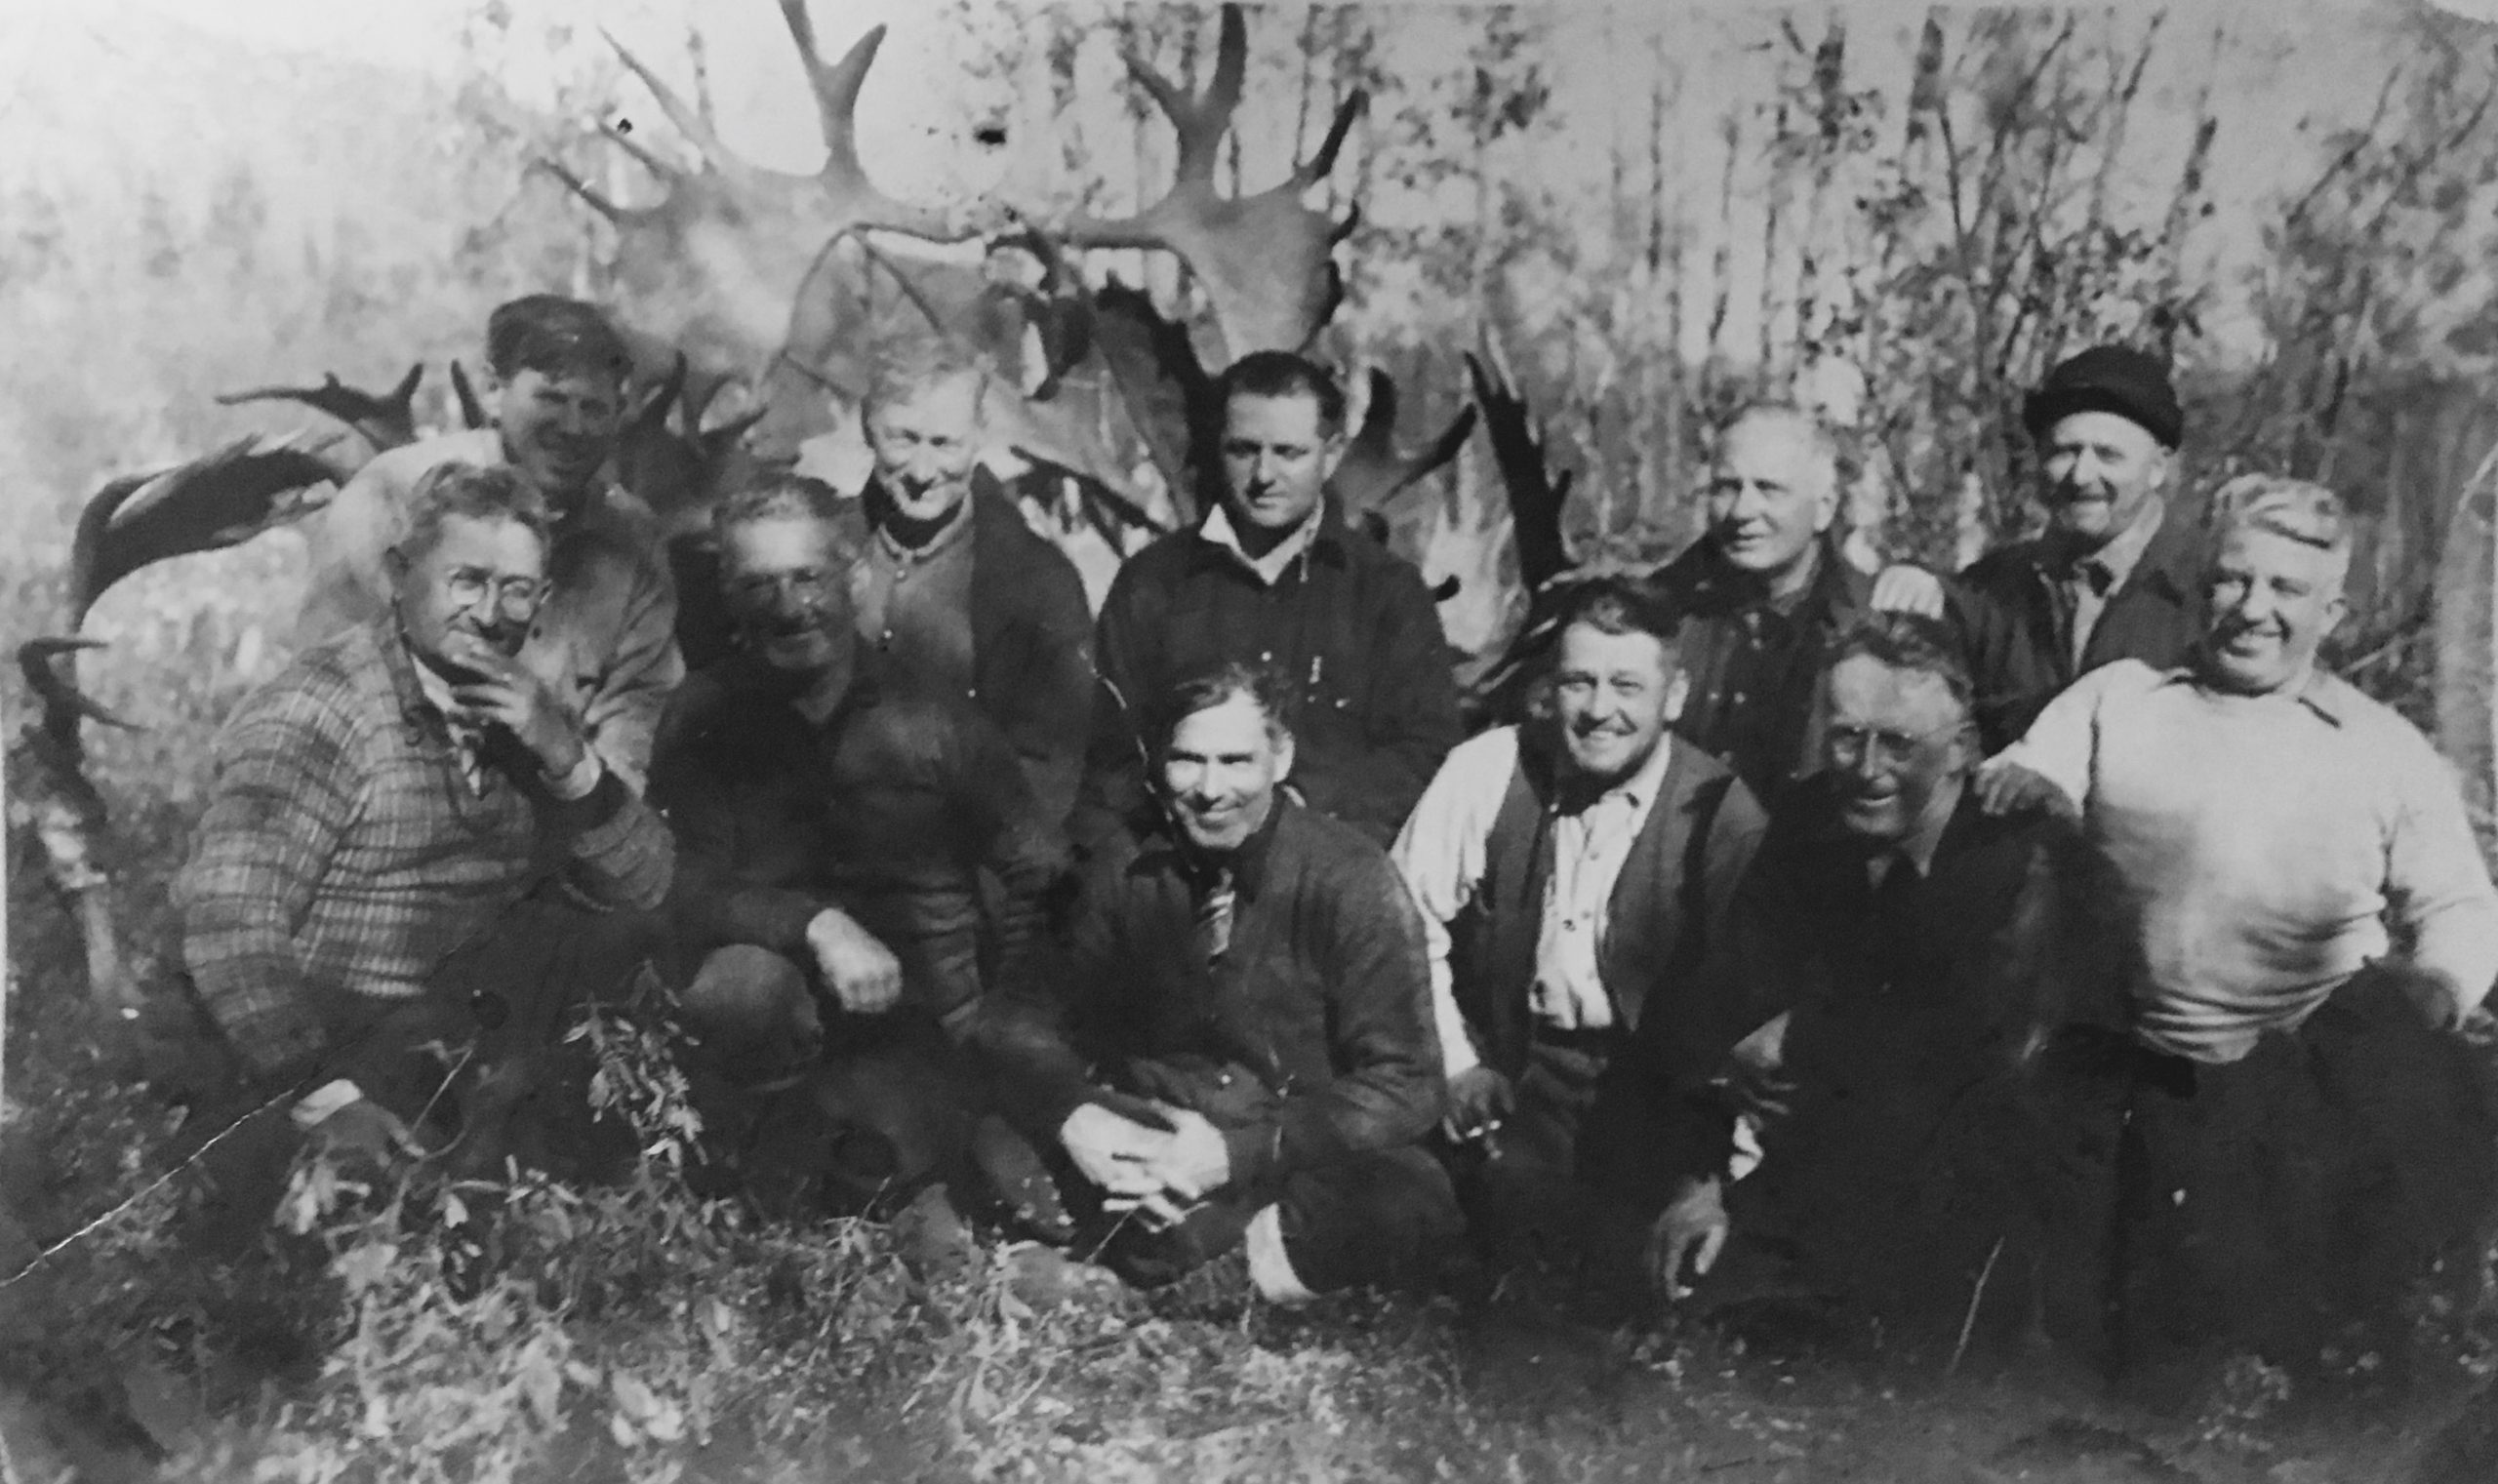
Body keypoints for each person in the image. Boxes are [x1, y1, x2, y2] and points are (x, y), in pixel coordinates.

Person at [1983, 474, 2498, 1386]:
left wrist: (2436, 989)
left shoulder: (2377, 744)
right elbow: (2027, 775)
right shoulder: (2122, 700)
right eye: (2231, 581)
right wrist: (2033, 796)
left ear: (2332, 611)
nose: (2252, 610)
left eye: (2286, 591)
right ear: (2200, 584)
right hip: (2130, 1076)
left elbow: (2462, 905)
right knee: (2115, 1353)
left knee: (2297, 1350)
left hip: (2300, 1093)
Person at [177, 462, 674, 1238]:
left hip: (457, 1053)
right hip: (312, 1058)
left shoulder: (515, 709)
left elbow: (649, 884)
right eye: (466, 581)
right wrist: (329, 1099)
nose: (489, 613)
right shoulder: (322, 709)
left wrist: (568, 759)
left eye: (515, 591)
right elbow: (230, 928)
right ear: (399, 575)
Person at [1647, 614, 2128, 1353]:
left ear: (1964, 749)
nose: (1868, 768)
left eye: (1900, 744)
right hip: (1811, 1183)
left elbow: (1987, 1073)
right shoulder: (1810, 823)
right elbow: (1721, 1005)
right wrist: (1697, 1182)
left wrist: (1805, 1034)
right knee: (1688, 1349)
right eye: (1847, 736)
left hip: (1980, 1219)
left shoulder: (2033, 864)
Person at [648, 474, 1065, 1215]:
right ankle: (769, 1177)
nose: (787, 606)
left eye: (808, 576)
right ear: (729, 596)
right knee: (738, 993)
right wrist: (818, 925)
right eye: (758, 584)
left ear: (856, 577)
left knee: (942, 1207)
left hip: (924, 1026)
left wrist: (1008, 1025)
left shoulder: (933, 718)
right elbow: (688, 882)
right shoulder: (706, 714)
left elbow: (1041, 869)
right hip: (785, 1020)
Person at [983, 662, 1461, 1301]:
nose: (1210, 789)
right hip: (1151, 1143)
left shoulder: (1350, 878)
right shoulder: (1121, 866)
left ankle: (1181, 1291)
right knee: (990, 1134)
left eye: (1236, 761)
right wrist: (1082, 1119)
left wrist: (1234, 1154)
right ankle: (1155, 1267)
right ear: (1156, 761)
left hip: (1282, 1162)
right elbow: (1018, 1019)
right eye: (1188, 761)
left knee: (1405, 1196)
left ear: (1280, 756)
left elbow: (1409, 1085)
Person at [1391, 577, 1767, 1288]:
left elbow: (1759, 1024)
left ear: (1675, 695)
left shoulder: (1722, 814)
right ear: (1549, 688)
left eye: (1627, 685)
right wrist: (1455, 1060)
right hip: (1516, 1080)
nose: (1600, 711)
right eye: (1578, 683)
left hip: (1654, 1106)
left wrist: (1717, 1179)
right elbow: (1397, 916)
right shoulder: (1492, 766)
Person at [296, 294, 681, 789]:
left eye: (594, 407)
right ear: (494, 390)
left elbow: (635, 713)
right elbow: (324, 683)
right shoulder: (392, 495)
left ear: (619, 414)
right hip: (390, 802)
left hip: (559, 826)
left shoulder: (632, 537)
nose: (573, 427)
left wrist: (599, 819)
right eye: (552, 399)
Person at [1082, 351, 1463, 849]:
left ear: (1331, 451)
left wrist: (1301, 810)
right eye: (1244, 450)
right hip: (1179, 873)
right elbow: (1111, 753)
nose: (1264, 475)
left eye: (1289, 453)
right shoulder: (1153, 582)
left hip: (1335, 871)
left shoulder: (1385, 591)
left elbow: (1426, 748)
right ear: (1218, 447)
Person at [1876, 343, 2201, 746]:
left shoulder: (2207, 592)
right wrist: (1912, 586)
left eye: (2108, 455)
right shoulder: (1991, 590)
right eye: (2064, 452)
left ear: (2157, 468)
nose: (2082, 475)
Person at [850, 344, 1096, 834]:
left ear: (979, 436)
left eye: (945, 444)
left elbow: (1048, 772)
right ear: (866, 430)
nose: (922, 473)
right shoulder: (825, 550)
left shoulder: (1038, 582)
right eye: (902, 439)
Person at [1638, 405, 1875, 803]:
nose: (1742, 511)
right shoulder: (1657, 613)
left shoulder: (1872, 624)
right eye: (1726, 487)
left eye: (1769, 488)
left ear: (1825, 507)